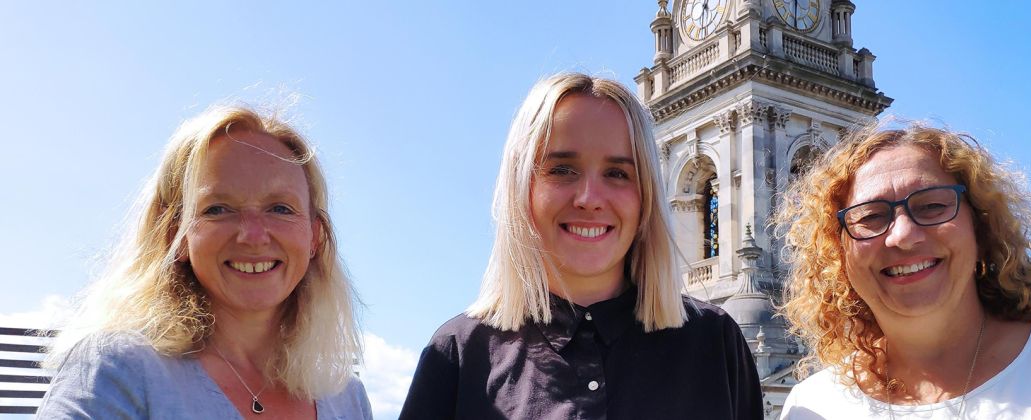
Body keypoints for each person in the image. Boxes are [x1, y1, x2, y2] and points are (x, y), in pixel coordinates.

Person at [398, 73, 763, 419]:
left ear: (646, 197)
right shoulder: (458, 355)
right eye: (562, 170)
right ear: (521, 188)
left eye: (618, 173)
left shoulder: (716, 343)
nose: (590, 198)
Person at [773, 120, 1031, 419]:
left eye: (933, 205)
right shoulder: (813, 406)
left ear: (980, 225)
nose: (903, 235)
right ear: (837, 250)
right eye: (870, 217)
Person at [38, 105, 371, 419]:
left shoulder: (345, 396)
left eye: (280, 208)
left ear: (315, 237)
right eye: (218, 209)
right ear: (175, 235)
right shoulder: (118, 368)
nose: (253, 236)